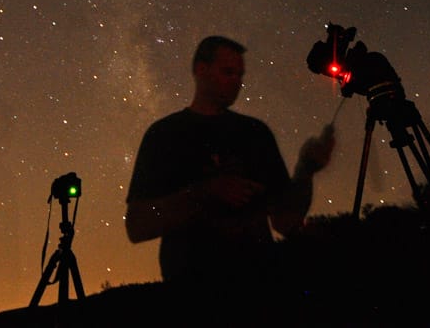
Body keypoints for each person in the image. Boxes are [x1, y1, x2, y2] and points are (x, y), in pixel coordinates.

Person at [125, 36, 334, 293]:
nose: (237, 82)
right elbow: (137, 226)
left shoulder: (256, 133)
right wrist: (204, 193)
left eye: (240, 75)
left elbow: (285, 220)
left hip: (259, 284)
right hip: (191, 291)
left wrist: (306, 170)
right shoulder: (164, 135)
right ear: (201, 70)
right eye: (228, 72)